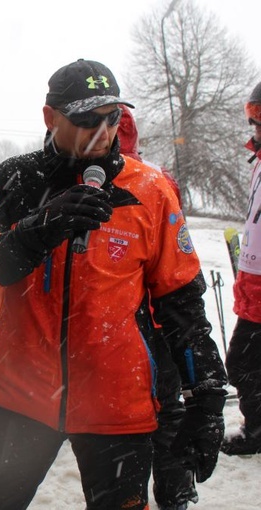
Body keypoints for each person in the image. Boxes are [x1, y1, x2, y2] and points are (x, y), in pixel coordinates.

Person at [0, 59, 227, 510]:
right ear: (50, 117)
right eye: (85, 120)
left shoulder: (151, 190)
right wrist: (36, 230)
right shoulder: (14, 178)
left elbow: (182, 302)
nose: (102, 131)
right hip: (22, 398)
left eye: (112, 117)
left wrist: (207, 398)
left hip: (118, 405)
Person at [118, 105, 197, 509]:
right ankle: (175, 493)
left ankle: (155, 492)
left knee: (135, 429)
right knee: (166, 419)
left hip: (131, 329)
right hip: (155, 324)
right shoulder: (158, 180)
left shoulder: (153, 183)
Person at [222, 81, 261, 456]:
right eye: (254, 120)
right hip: (254, 287)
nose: (256, 130)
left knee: (243, 363)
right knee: (246, 364)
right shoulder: (259, 165)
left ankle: (258, 430)